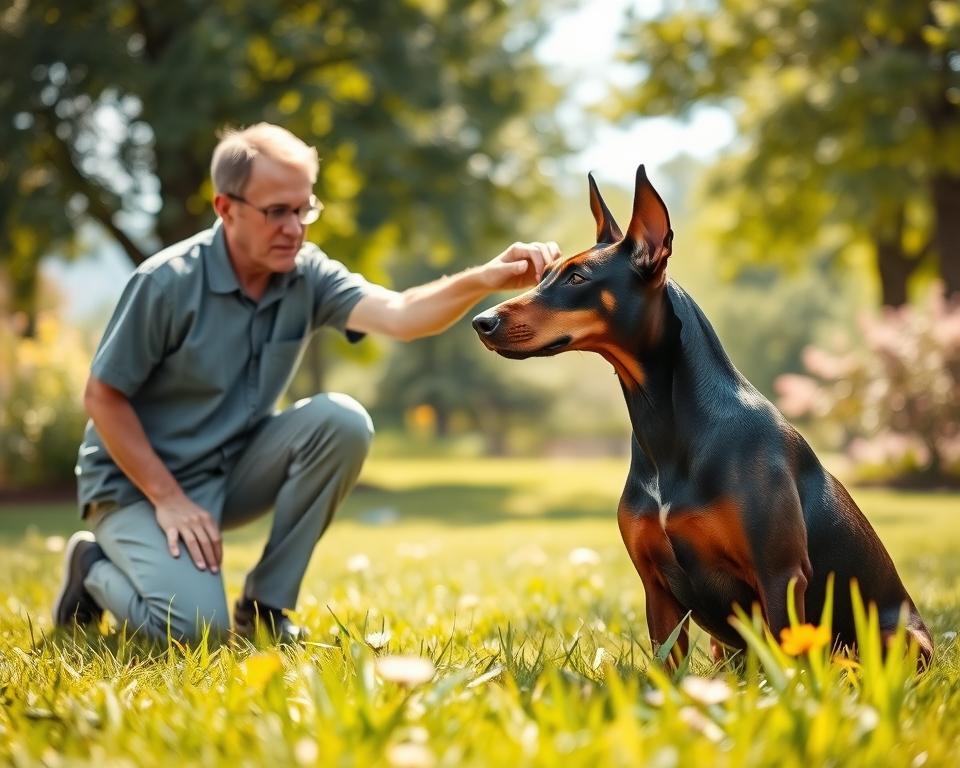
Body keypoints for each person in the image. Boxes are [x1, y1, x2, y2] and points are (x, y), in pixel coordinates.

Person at [53, 123, 560, 644]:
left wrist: (488, 278)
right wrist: (168, 498)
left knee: (341, 421)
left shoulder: (306, 274)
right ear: (226, 208)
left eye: (303, 209)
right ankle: (91, 566)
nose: (295, 228)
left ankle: (266, 606)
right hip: (137, 488)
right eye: (277, 211)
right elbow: (102, 397)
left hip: (228, 472)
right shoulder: (166, 282)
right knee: (193, 630)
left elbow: (403, 315)